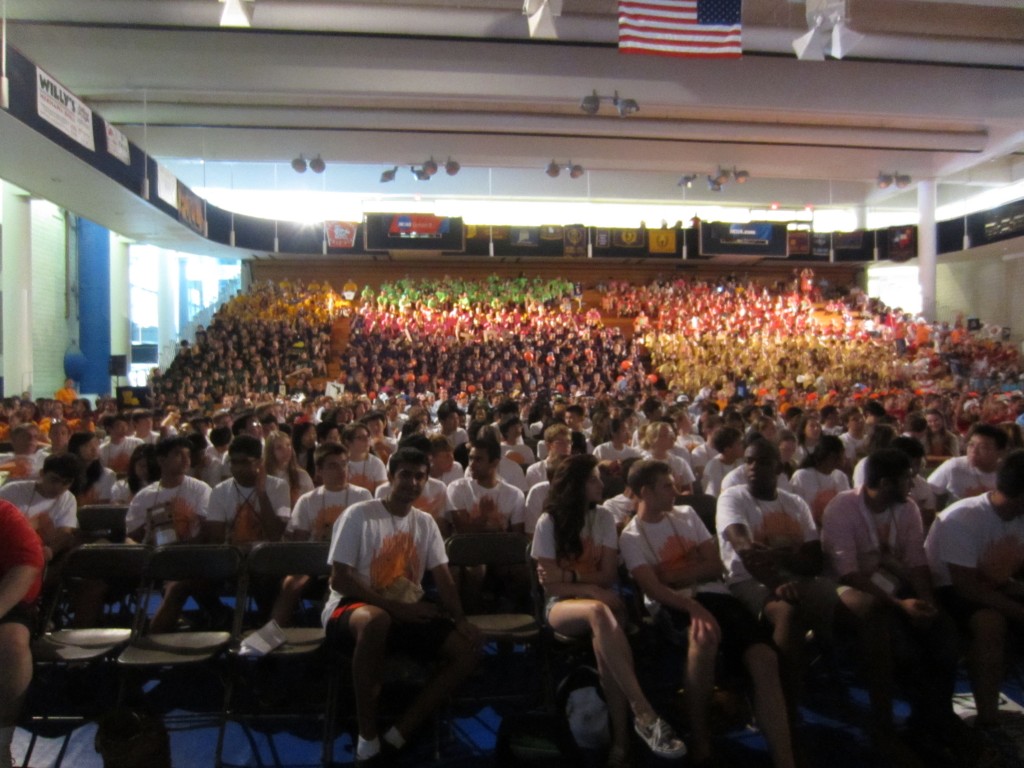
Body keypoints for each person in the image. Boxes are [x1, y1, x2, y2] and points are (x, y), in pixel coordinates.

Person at [620, 460, 796, 768]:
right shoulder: (632, 536)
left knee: (764, 658)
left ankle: (785, 758)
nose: (676, 491)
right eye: (667, 486)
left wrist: (675, 574)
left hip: (717, 595)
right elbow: (654, 588)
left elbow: (715, 565)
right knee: (704, 640)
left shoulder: (686, 515)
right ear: (645, 492)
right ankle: (702, 740)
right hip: (674, 606)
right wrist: (691, 600)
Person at [322, 447, 481, 767]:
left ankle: (398, 733)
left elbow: (444, 579)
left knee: (468, 650)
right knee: (376, 620)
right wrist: (396, 608)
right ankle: (367, 739)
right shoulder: (359, 515)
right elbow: (340, 580)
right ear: (391, 476)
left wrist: (461, 620)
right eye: (405, 474)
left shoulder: (425, 523)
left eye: (420, 475)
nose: (412, 481)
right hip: (351, 606)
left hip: (404, 607)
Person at [532, 455, 686, 765]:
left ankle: (620, 744)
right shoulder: (548, 523)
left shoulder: (602, 517)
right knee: (599, 613)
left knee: (605, 649)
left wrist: (573, 578)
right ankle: (643, 712)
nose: (601, 485)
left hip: (601, 600)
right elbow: (551, 587)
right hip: (562, 607)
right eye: (593, 480)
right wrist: (587, 588)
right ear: (575, 486)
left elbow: (609, 576)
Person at [821, 449, 966, 760]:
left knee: (945, 635)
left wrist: (926, 600)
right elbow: (847, 571)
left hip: (898, 588)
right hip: (851, 591)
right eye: (906, 480)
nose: (911, 486)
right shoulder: (842, 507)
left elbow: (916, 561)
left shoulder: (907, 508)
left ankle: (935, 718)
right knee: (900, 643)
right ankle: (894, 727)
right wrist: (901, 605)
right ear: (886, 483)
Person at [716, 439, 836, 707]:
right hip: (748, 581)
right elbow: (746, 550)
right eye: (749, 461)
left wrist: (777, 556)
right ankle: (782, 700)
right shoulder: (733, 497)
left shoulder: (795, 503)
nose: (753, 467)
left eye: (763, 462)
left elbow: (815, 561)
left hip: (797, 576)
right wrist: (777, 580)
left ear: (779, 468)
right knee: (788, 610)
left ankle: (832, 668)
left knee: (842, 599)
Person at [924, 449, 1024, 728]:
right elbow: (967, 588)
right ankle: (988, 716)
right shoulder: (963, 517)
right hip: (948, 591)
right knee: (989, 623)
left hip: (996, 585)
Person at [125, 437, 212, 633]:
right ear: (161, 460)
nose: (185, 459)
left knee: (178, 584)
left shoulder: (200, 490)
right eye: (178, 455)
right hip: (156, 556)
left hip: (192, 555)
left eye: (188, 455)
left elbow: (206, 531)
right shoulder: (145, 495)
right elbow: (132, 534)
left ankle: (154, 635)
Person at [0, 500, 45, 768]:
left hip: (7, 601)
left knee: (11, 643)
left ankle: (1, 744)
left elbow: (28, 565)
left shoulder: (4, 514)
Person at [0, 453, 79, 564]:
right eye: (54, 480)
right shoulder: (13, 490)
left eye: (66, 482)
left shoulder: (68, 499)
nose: (59, 487)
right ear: (42, 474)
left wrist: (50, 551)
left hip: (35, 557)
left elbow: (65, 533)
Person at [927, 423, 1006, 508]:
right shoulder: (954, 466)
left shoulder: (1009, 472)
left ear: (1000, 452)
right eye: (971, 445)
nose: (974, 451)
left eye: (983, 447)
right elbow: (929, 492)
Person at [790, 435, 851, 526]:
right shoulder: (802, 476)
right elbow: (797, 511)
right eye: (843, 454)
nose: (845, 458)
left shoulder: (840, 476)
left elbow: (847, 509)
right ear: (832, 456)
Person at [263, 430, 314, 507]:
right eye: (279, 448)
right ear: (270, 452)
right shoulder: (264, 476)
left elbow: (312, 501)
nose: (286, 450)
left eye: (288, 445)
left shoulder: (301, 475)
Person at [68, 432, 117, 506]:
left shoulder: (107, 474)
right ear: (76, 448)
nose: (94, 449)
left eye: (96, 445)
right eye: (87, 445)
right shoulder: (66, 473)